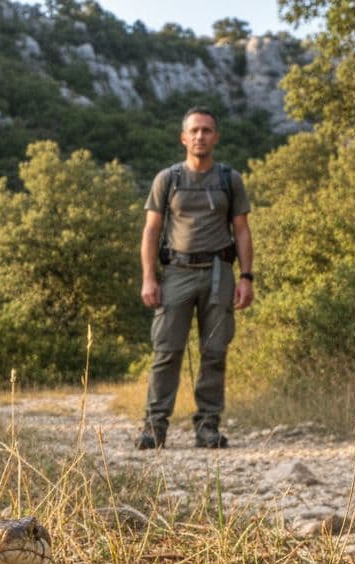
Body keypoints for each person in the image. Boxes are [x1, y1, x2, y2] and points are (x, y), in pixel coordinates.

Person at [136, 106, 254, 450]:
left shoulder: (229, 179)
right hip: (176, 272)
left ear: (215, 137)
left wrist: (246, 277)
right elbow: (151, 231)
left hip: (220, 272)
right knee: (167, 351)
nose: (200, 136)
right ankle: (154, 428)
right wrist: (149, 278)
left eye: (207, 130)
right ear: (183, 138)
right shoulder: (167, 179)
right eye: (194, 131)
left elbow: (242, 231)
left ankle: (208, 427)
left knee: (215, 351)